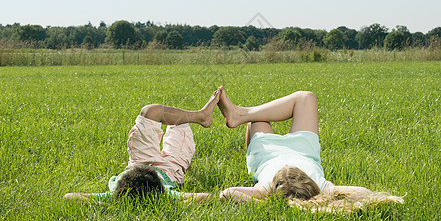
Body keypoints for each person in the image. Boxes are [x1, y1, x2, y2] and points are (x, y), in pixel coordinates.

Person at [217, 87, 404, 213]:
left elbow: (227, 193)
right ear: (309, 183)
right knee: (306, 97)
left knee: (258, 120)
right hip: (303, 148)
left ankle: (241, 115)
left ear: (275, 189)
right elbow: (364, 192)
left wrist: (271, 203)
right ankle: (239, 114)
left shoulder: (264, 190)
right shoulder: (323, 189)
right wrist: (326, 198)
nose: (288, 166)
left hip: (266, 152)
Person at [64, 88, 221, 202]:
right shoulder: (164, 192)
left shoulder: (116, 192)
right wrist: (173, 201)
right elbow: (205, 198)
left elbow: (69, 197)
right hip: (170, 169)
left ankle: (201, 116)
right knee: (179, 124)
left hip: (139, 162)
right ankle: (201, 120)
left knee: (150, 111)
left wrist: (97, 202)